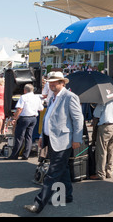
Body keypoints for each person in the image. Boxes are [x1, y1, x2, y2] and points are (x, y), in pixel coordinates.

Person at [24, 72, 84, 214]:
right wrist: (41, 136)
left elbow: (78, 119)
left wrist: (77, 139)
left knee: (53, 173)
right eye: (50, 82)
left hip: (63, 141)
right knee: (62, 170)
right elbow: (48, 119)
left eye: (55, 82)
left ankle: (39, 203)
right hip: (51, 139)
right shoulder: (53, 98)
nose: (51, 84)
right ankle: (67, 195)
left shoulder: (70, 97)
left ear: (63, 83)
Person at [90, 98, 113, 180]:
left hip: (105, 126)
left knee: (101, 151)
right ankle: (110, 172)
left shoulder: (103, 101)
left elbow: (96, 115)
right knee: (111, 150)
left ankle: (100, 173)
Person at [8, 84, 44, 160]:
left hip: (24, 118)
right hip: (33, 118)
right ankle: (26, 155)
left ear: (25, 90)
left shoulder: (23, 97)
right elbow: (41, 109)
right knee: (28, 136)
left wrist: (14, 118)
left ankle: (14, 155)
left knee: (19, 137)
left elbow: (19, 109)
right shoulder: (37, 97)